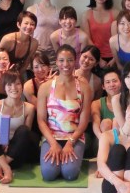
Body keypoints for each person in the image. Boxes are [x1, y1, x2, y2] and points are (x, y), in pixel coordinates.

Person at [36, 45, 93, 181]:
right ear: (56, 62)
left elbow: (84, 122)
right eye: (61, 60)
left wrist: (70, 143)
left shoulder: (84, 87)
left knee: (70, 173)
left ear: (75, 61)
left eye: (70, 60)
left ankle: (69, 162)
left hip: (74, 137)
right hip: (51, 136)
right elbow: (41, 120)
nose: (66, 64)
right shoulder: (45, 87)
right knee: (48, 174)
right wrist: (53, 143)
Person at [0, 71, 39, 184]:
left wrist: (10, 146)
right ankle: (6, 169)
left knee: (25, 130)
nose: (13, 88)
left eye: (17, 84)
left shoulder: (29, 108)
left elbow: (24, 137)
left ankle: (2, 167)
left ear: (22, 86)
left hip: (13, 157)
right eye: (9, 84)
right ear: (4, 88)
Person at [81, 0, 118, 67]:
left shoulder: (116, 13)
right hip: (94, 57)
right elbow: (87, 39)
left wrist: (115, 59)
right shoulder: (86, 15)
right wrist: (99, 59)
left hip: (114, 56)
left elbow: (119, 39)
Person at [27, 0, 59, 66]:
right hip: (36, 52)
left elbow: (60, 34)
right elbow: (28, 33)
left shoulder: (59, 11)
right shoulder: (31, 9)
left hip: (53, 53)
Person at [0, 10, 38, 78]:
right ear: (19, 25)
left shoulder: (34, 43)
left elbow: (26, 63)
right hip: (1, 71)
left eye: (32, 24)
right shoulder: (8, 39)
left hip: (17, 72)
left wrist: (17, 77)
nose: (29, 27)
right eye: (26, 23)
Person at [91, 67, 122, 141]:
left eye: (114, 81)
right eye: (108, 82)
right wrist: (102, 139)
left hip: (122, 140)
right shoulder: (97, 103)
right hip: (102, 138)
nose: (112, 84)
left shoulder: (128, 101)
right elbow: (95, 123)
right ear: (103, 86)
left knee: (116, 121)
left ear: (121, 83)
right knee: (106, 122)